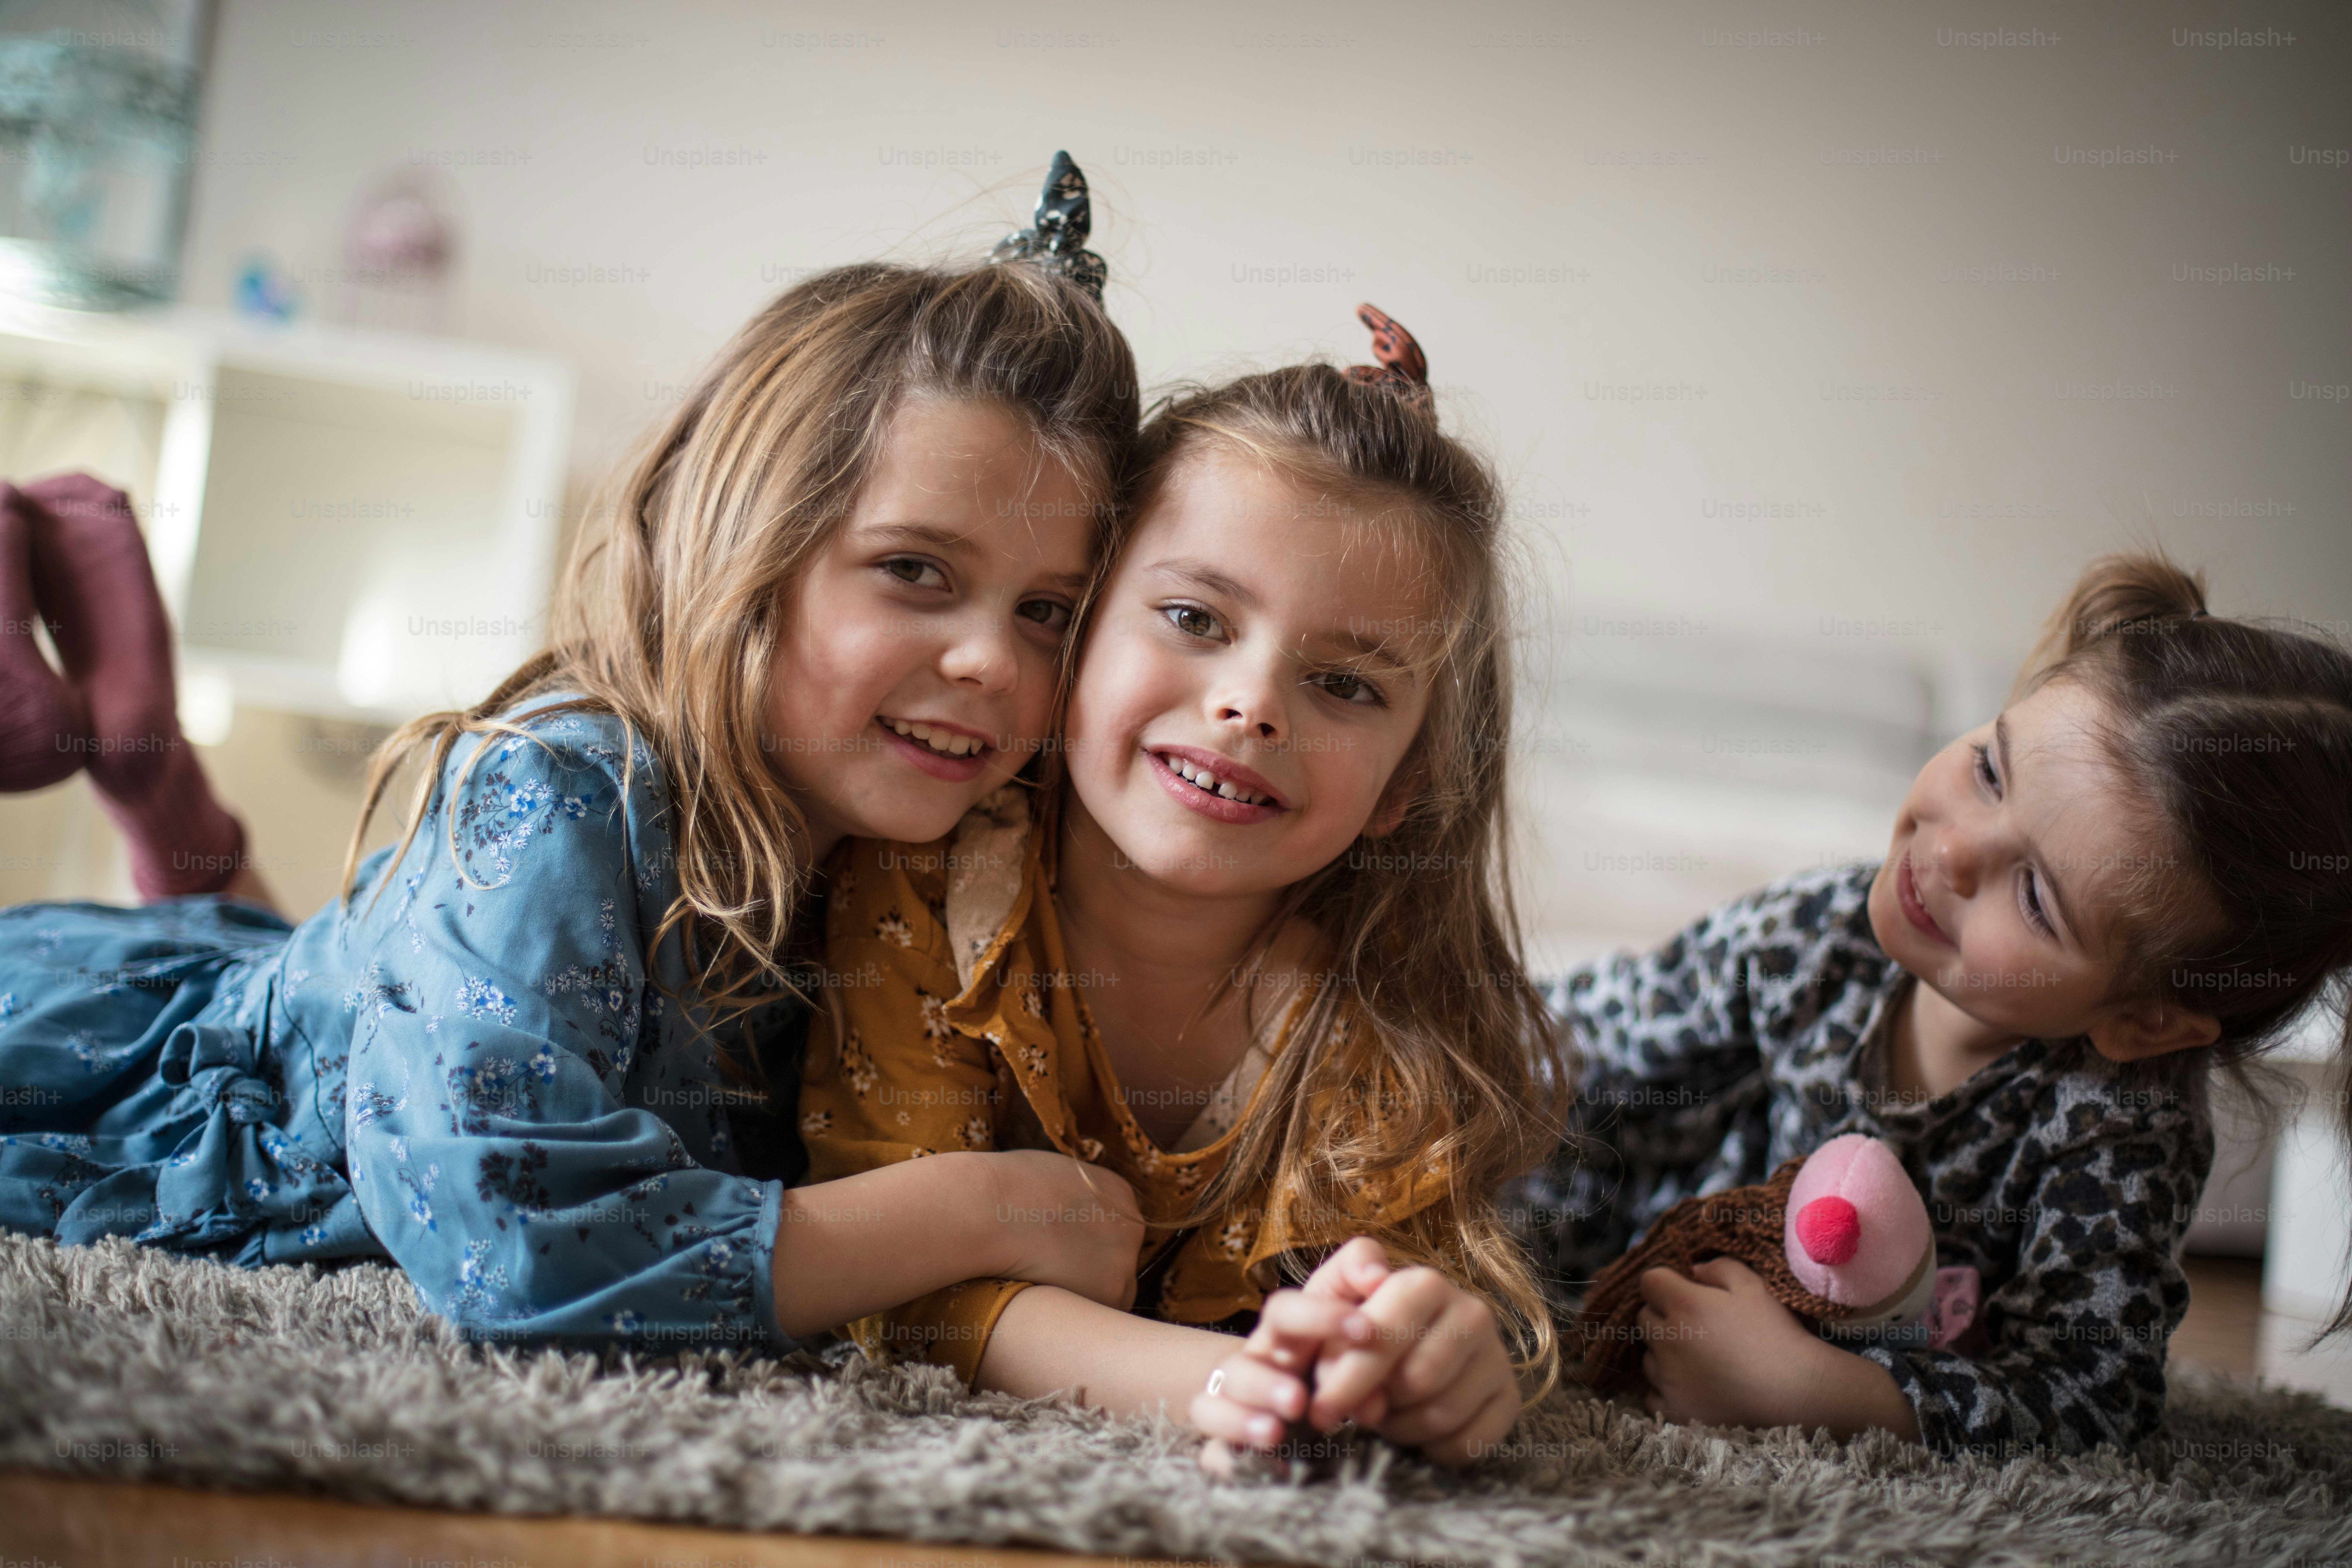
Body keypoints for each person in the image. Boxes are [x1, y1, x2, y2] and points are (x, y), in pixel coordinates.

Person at [0, 157, 1156, 1351]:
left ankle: (151, 777)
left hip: (317, 988)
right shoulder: (565, 786)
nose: (990, 663)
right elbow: (510, 1238)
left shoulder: (952, 861)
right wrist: (977, 1208)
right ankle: (136, 754)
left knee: (325, 981)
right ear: (743, 547)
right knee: (293, 1059)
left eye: (1049, 612)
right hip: (98, 1052)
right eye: (915, 571)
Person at [799, 307, 1570, 1467]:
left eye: (1344, 685)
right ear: (1073, 631)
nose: (1250, 704)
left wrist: (1423, 1355)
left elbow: (1383, 1306)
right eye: (1192, 618)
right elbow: (900, 1294)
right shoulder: (924, 888)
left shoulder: (1391, 1012)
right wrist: (1215, 1379)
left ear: (1407, 780)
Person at [1508, 554, 2352, 1454]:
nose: (1952, 855)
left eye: (2034, 898)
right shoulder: (1815, 936)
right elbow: (1585, 1035)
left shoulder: (2120, 1126)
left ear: (2144, 1022)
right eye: (1991, 771)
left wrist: (1826, 1392)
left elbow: (2089, 1403)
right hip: (1621, 1244)